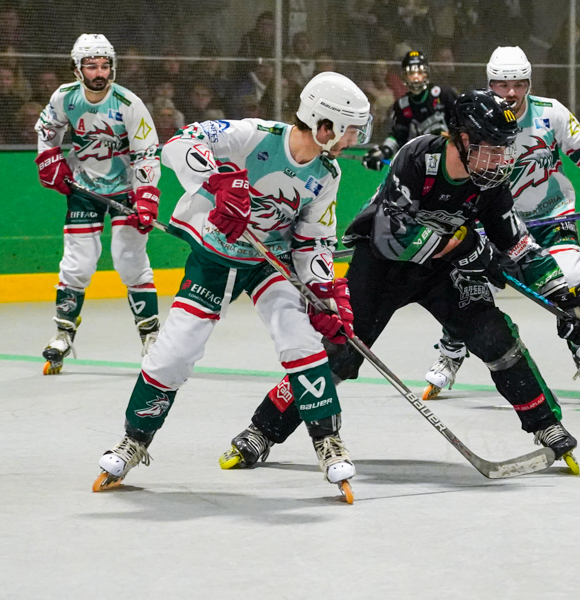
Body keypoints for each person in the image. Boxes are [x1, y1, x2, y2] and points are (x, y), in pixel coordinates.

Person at [220, 89, 580, 473]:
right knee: (340, 350)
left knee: (494, 336)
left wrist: (566, 298)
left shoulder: (490, 183)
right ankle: (262, 430)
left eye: (504, 149)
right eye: (491, 148)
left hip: (442, 272)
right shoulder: (420, 157)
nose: (501, 160)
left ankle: (547, 425)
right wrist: (467, 246)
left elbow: (518, 245)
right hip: (382, 267)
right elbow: (393, 237)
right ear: (463, 139)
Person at [92, 72, 372, 501]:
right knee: (175, 350)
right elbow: (178, 144)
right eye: (350, 128)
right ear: (323, 124)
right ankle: (134, 440)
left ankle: (328, 441)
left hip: (267, 262)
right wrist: (220, 179)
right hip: (214, 259)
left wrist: (324, 295)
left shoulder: (327, 172)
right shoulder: (252, 135)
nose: (355, 137)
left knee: (300, 339)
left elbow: (313, 239)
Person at [422, 47, 580, 401]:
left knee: (571, 281)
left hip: (550, 217)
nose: (510, 93)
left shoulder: (551, 113)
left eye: (518, 84)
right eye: (502, 84)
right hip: (494, 224)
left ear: (528, 84)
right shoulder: (474, 120)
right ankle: (451, 352)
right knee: (467, 286)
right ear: (490, 84)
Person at [34, 34, 162, 375]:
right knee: (78, 262)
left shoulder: (129, 103)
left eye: (105, 65)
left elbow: (147, 153)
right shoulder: (65, 98)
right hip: (84, 186)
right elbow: (47, 130)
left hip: (126, 191)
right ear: (77, 69)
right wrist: (49, 159)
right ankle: (62, 333)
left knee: (129, 260)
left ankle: (150, 335)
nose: (99, 72)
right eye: (91, 65)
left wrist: (146, 194)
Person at [362, 50, 457, 170]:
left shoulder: (444, 95)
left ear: (426, 73)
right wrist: (383, 152)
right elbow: (398, 135)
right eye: (411, 73)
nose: (416, 77)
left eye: (420, 72)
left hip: (451, 159)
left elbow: (463, 122)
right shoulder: (402, 105)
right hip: (423, 163)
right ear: (404, 76)